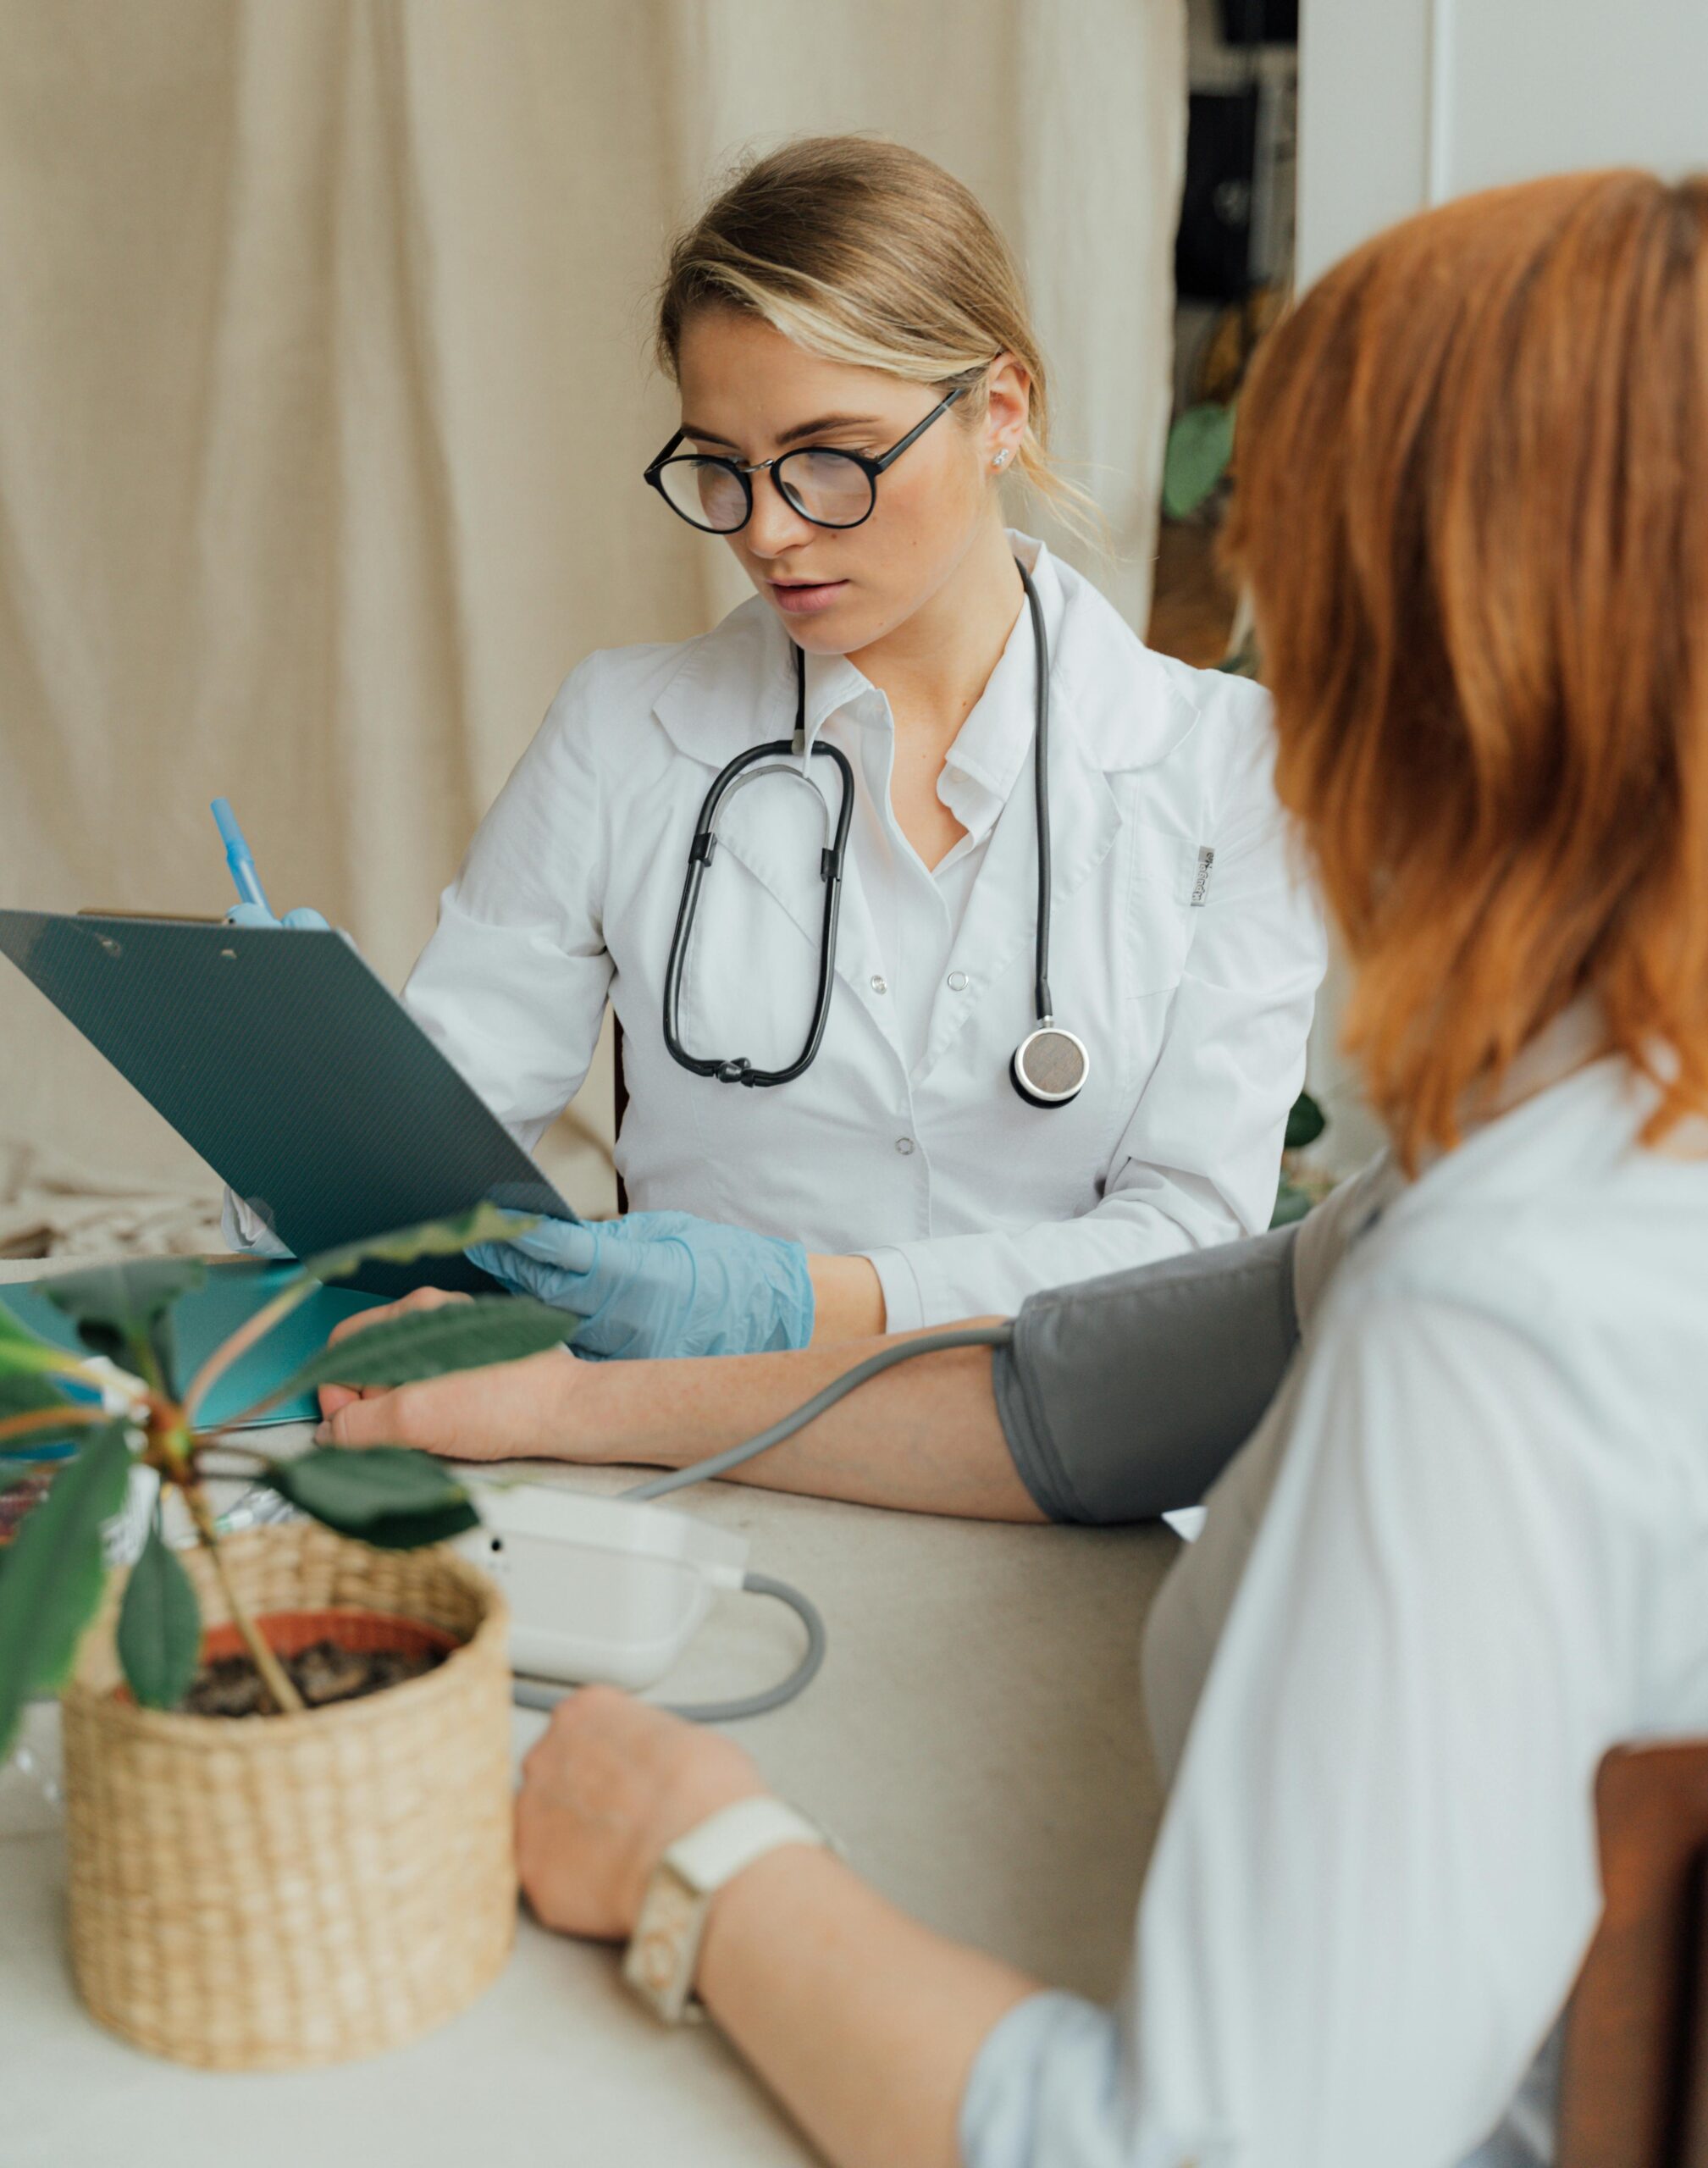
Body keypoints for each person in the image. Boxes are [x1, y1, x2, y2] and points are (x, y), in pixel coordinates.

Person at [319, 170, 1708, 2166]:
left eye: (1296, 608)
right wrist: (574, 1392)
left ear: (1458, 674)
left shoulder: (1496, 1313)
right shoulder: (1552, 1149)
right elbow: (1087, 1396)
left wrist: (694, 1851)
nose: (1273, 701)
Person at [231, 135, 1324, 1359]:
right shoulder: (622, 733)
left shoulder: (1228, 764)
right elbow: (414, 1187)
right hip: (689, 1445)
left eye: (828, 458)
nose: (766, 528)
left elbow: (1189, 1236)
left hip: (1049, 1460)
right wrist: (311, 1108)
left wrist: (815, 1304)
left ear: (998, 414)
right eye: (722, 468)